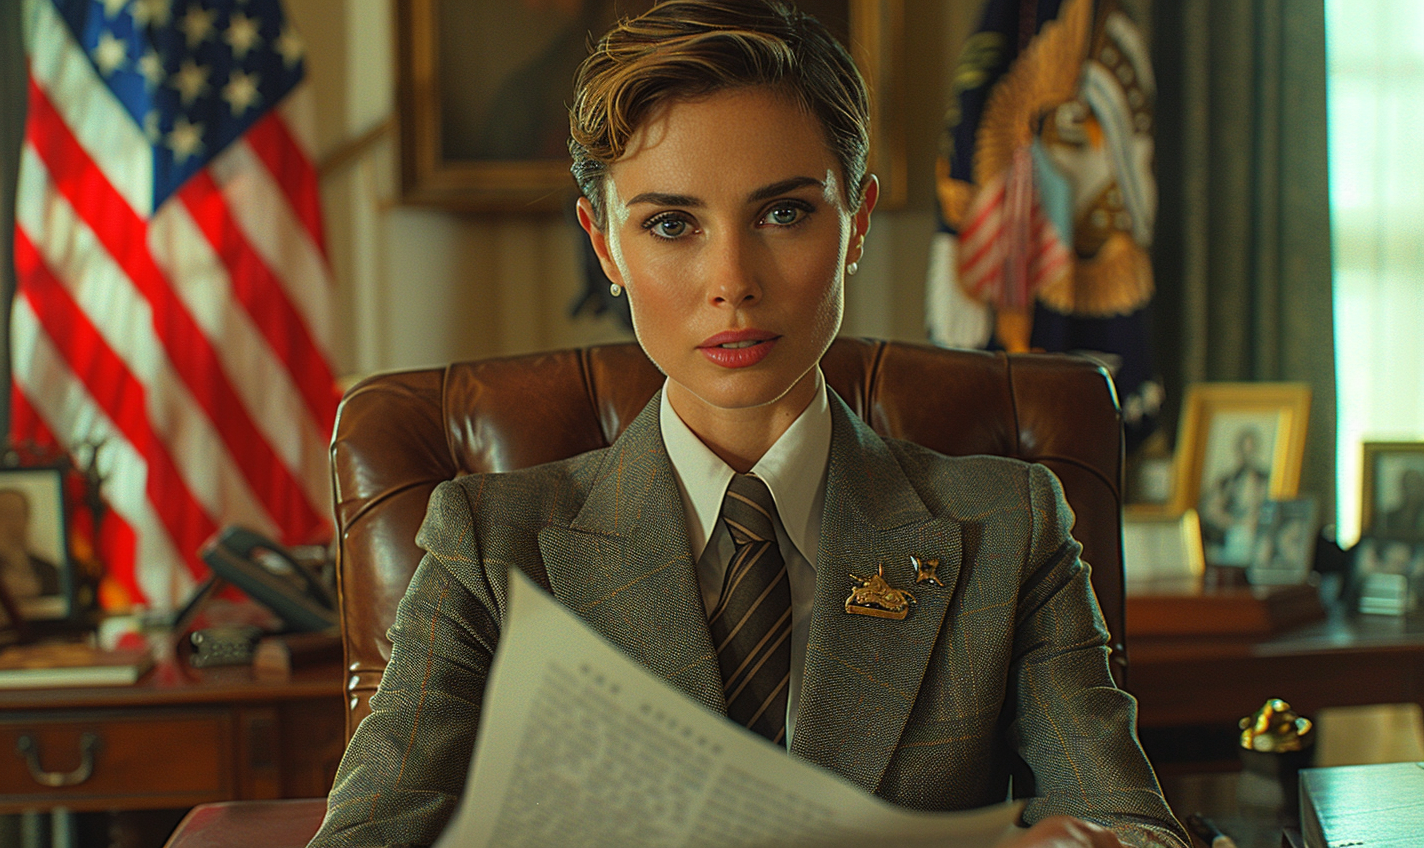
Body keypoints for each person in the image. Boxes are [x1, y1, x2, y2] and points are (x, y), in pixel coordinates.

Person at [309, 3, 1188, 846]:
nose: (731, 279)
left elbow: (1130, 822)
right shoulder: (492, 548)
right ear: (604, 246)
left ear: (856, 224)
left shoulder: (1008, 526)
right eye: (669, 224)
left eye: (783, 213)